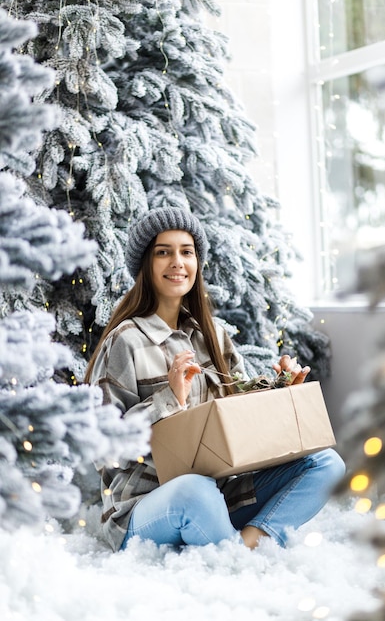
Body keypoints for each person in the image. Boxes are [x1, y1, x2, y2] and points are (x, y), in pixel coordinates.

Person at [85, 206, 345, 553]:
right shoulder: (125, 341)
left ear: (197, 263)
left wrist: (281, 389)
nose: (177, 262)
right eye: (163, 252)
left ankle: (249, 545)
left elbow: (241, 419)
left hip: (221, 493)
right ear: (146, 266)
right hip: (146, 507)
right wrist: (167, 399)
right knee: (194, 490)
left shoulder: (213, 336)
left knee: (326, 463)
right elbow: (100, 446)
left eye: (186, 252)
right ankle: (234, 558)